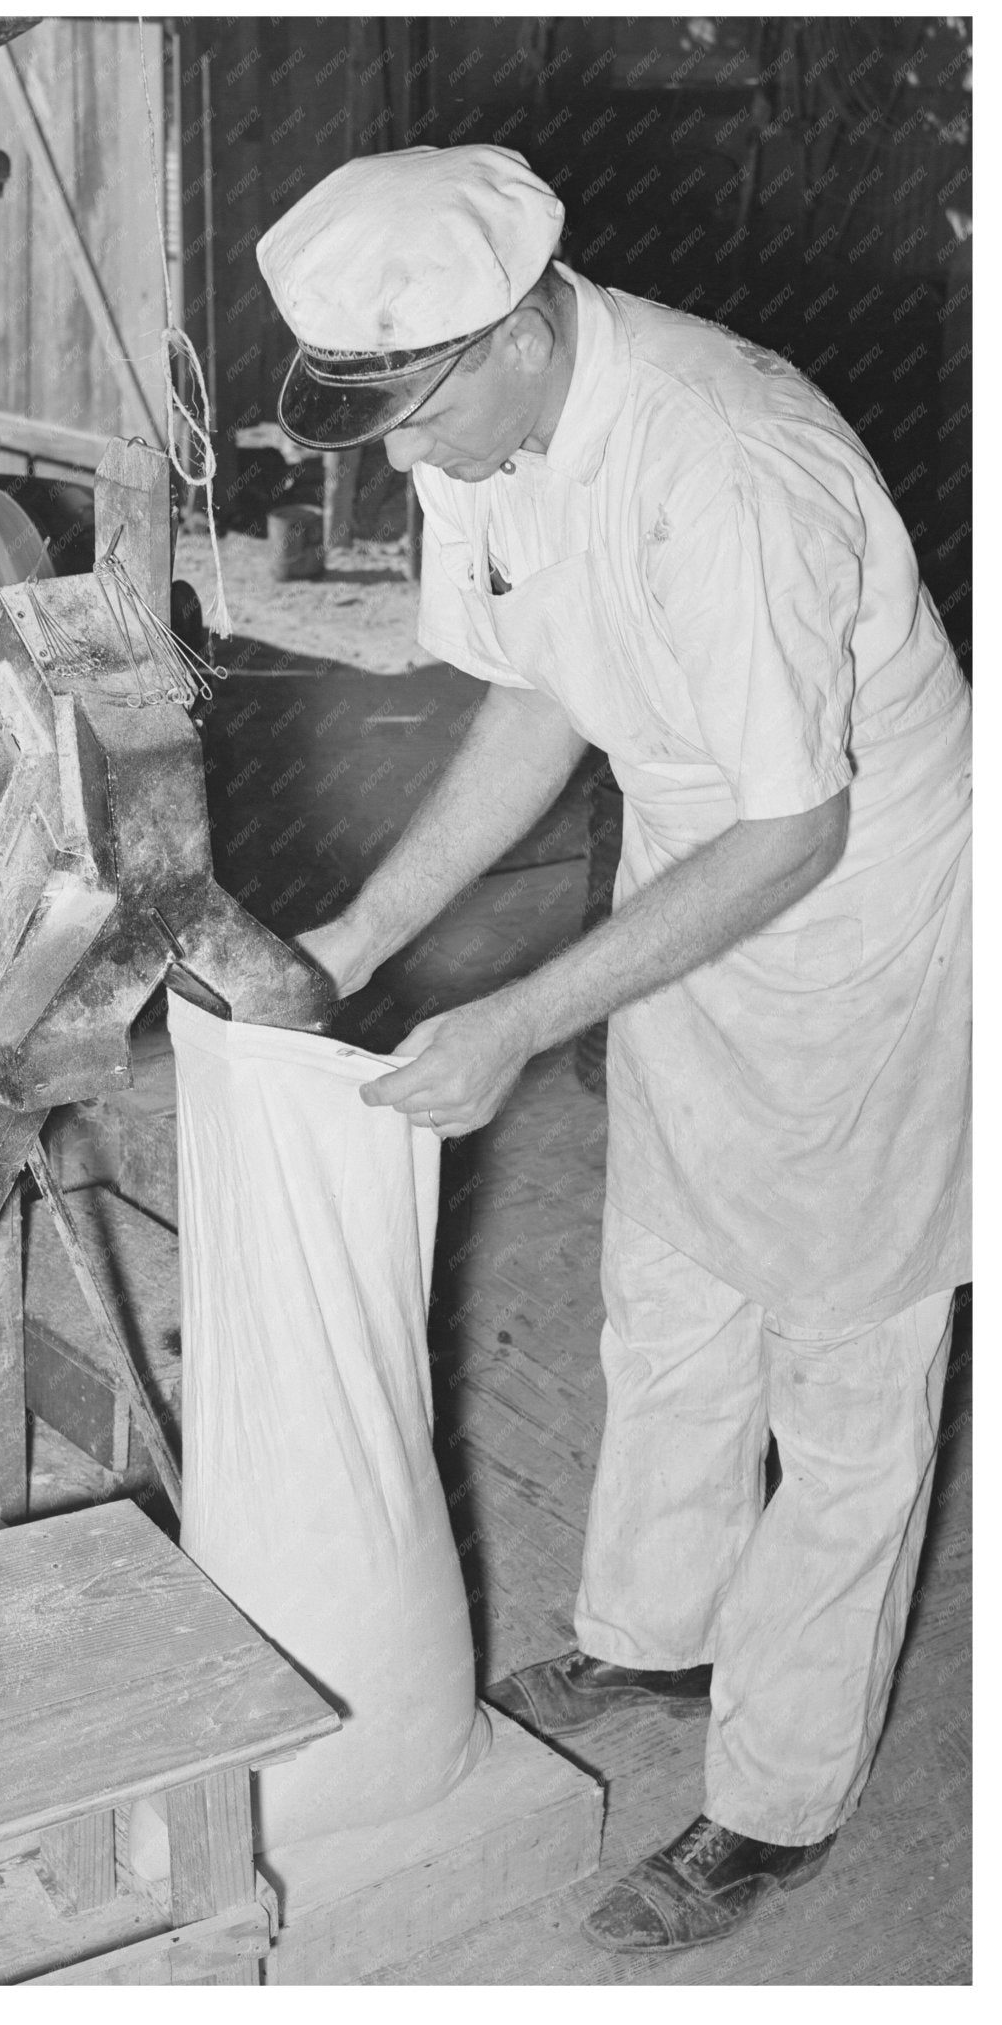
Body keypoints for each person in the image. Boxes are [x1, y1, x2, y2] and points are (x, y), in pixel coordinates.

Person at [256, 144, 971, 1955]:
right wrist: (359, 941)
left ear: (518, 329)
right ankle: (658, 1637)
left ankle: (776, 1800)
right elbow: (539, 689)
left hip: (861, 890)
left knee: (845, 1357)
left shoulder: (724, 463)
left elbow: (795, 833)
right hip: (697, 841)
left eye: (414, 417)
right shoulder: (485, 425)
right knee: (667, 1282)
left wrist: (514, 1015)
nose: (405, 465)